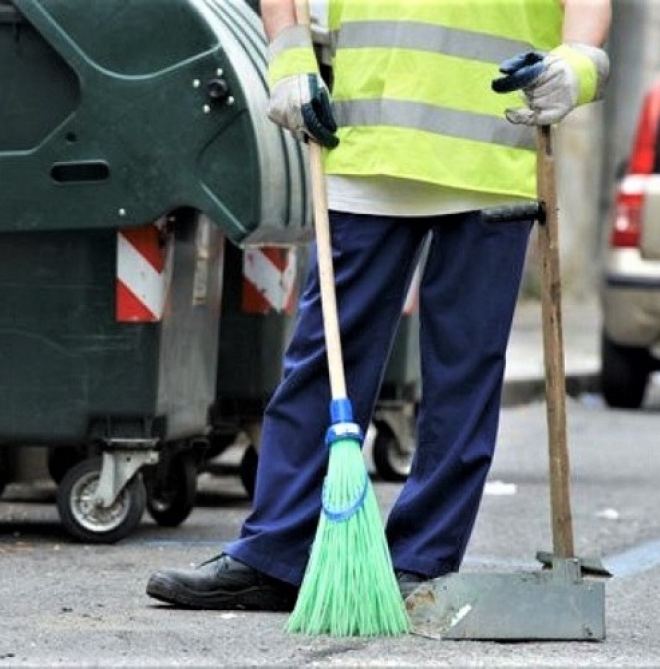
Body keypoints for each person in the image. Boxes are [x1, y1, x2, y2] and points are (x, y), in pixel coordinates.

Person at [147, 0, 611, 611]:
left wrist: (576, 65)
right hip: (368, 148)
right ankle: (274, 556)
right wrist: (288, 59)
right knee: (324, 359)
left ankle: (418, 562)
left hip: (492, 155)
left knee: (463, 375)